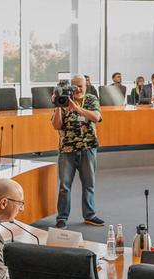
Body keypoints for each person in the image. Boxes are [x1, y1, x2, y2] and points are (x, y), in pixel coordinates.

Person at [50, 74, 104, 228]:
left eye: (81, 85)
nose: (79, 89)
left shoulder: (91, 99)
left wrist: (76, 108)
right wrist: (59, 106)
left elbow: (96, 117)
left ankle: (90, 215)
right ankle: (62, 217)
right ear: (70, 87)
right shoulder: (64, 100)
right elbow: (56, 126)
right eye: (75, 86)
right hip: (67, 149)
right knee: (64, 186)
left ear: (86, 86)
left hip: (88, 147)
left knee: (89, 184)